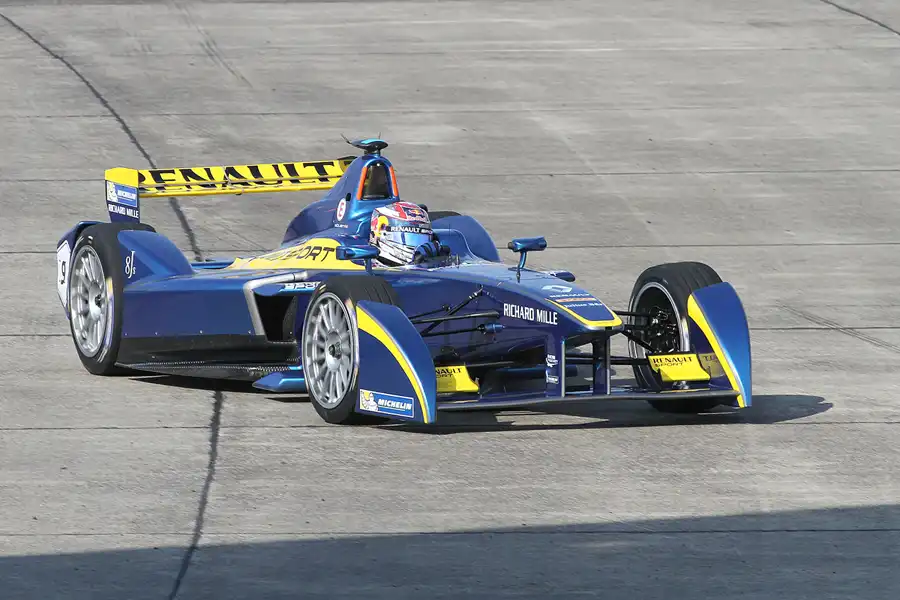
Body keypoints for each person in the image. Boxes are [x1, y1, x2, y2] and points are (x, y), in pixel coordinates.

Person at [368, 202, 448, 266]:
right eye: (410, 238)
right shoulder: (368, 268)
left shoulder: (426, 261)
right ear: (382, 232)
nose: (417, 247)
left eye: (422, 239)